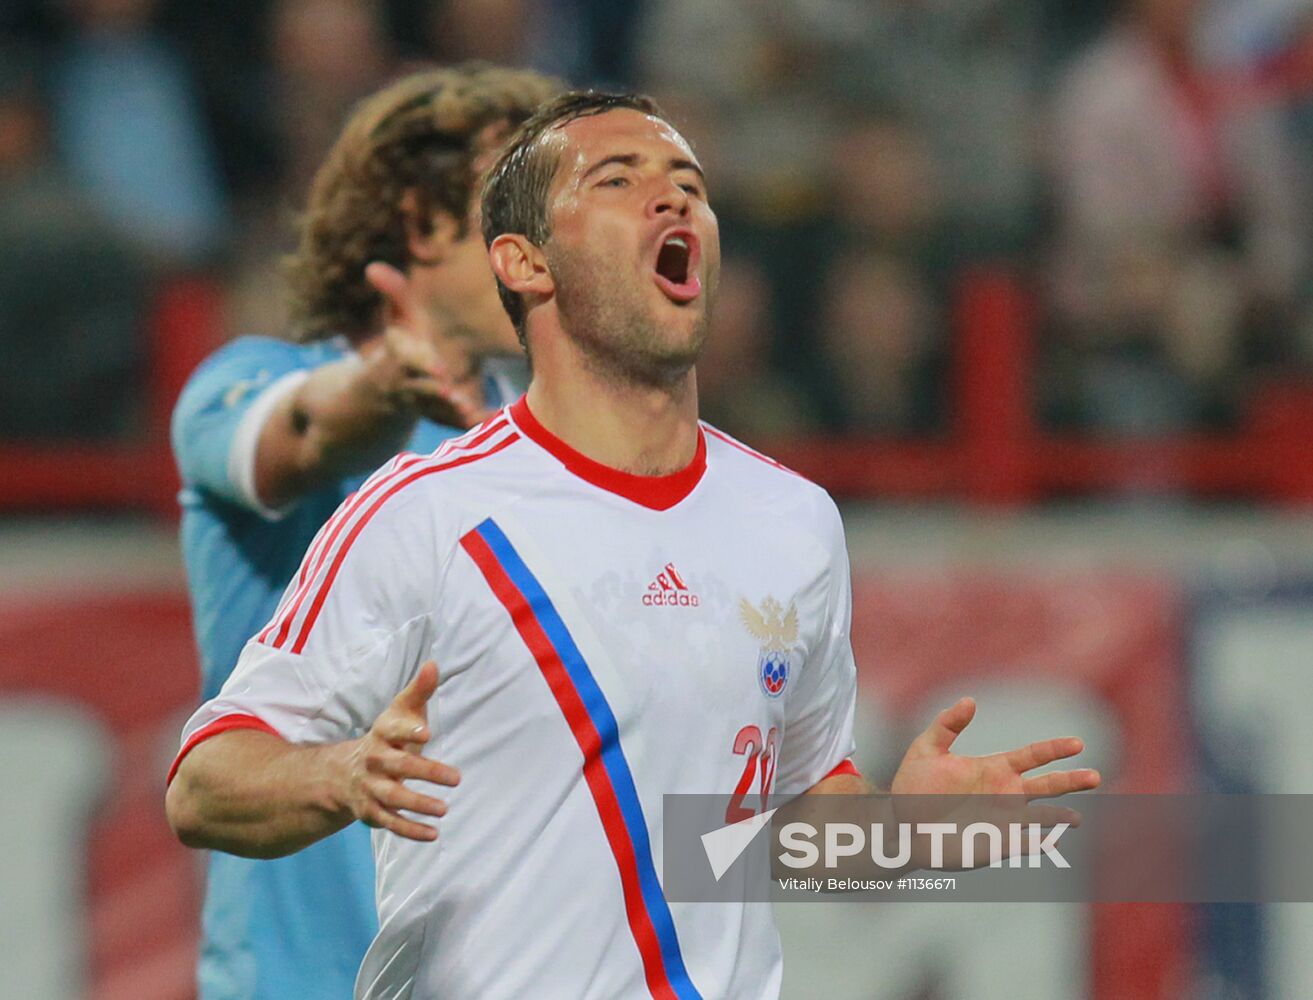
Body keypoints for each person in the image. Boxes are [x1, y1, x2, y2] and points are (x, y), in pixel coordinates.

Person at [166, 91, 1101, 998]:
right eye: (617, 178)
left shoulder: (793, 519)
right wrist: (340, 771)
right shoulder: (427, 513)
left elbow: (783, 825)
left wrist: (901, 834)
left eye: (687, 180)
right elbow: (204, 785)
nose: (674, 195)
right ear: (524, 264)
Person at [168, 64, 560, 1000]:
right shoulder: (252, 380)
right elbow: (308, 429)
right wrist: (387, 384)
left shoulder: (563, 449)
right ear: (421, 224)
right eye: (519, 200)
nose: (554, 235)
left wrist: (904, 835)